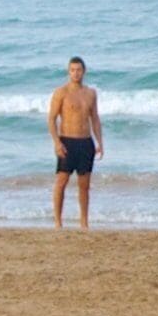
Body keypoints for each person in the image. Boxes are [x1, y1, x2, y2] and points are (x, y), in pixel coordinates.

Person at [47, 56, 104, 227]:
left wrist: (99, 142)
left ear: (84, 71)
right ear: (68, 72)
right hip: (67, 141)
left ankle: (84, 223)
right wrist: (57, 142)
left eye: (79, 70)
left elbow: (95, 119)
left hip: (86, 142)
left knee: (84, 185)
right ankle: (58, 222)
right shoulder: (61, 92)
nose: (76, 73)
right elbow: (51, 119)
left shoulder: (90, 93)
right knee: (61, 182)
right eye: (72, 70)